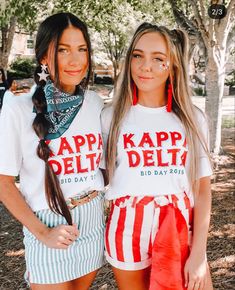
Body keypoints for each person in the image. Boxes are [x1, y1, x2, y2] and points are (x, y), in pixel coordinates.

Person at [101, 23, 213, 290]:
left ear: (172, 65)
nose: (145, 66)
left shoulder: (191, 119)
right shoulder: (111, 117)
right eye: (137, 56)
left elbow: (202, 190)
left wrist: (199, 253)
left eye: (158, 58)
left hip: (177, 224)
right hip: (127, 227)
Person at [0, 12, 105, 290]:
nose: (76, 59)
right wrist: (43, 232)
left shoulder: (94, 103)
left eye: (82, 49)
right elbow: (3, 182)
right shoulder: (18, 108)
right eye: (63, 50)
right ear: (44, 57)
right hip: (48, 221)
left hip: (93, 220)